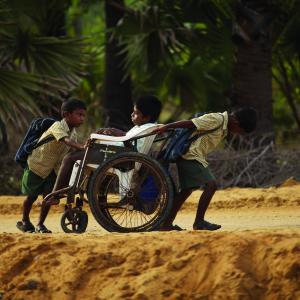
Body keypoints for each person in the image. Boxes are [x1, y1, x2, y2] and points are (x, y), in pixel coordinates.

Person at [154, 107, 257, 231]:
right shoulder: (217, 119)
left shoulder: (223, 126)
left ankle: (166, 224)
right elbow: (190, 123)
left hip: (193, 156)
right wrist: (166, 126)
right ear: (236, 122)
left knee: (187, 190)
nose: (237, 134)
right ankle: (199, 222)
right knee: (211, 185)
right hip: (190, 155)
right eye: (239, 131)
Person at [52, 95, 162, 192]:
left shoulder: (143, 128)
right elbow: (130, 138)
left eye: (136, 113)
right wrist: (114, 132)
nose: (132, 114)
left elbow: (129, 142)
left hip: (120, 157)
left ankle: (55, 194)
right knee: (78, 153)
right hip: (121, 155)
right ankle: (77, 187)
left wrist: (115, 133)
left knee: (69, 158)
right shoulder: (146, 127)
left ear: (146, 117)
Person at [16, 99, 87, 233]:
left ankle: (40, 224)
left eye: (83, 116)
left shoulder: (74, 133)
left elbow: (73, 148)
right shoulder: (57, 126)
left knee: (48, 196)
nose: (82, 119)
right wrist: (82, 146)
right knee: (31, 196)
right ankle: (25, 220)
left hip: (53, 170)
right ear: (67, 115)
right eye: (79, 115)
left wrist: (87, 148)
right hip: (37, 166)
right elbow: (65, 140)